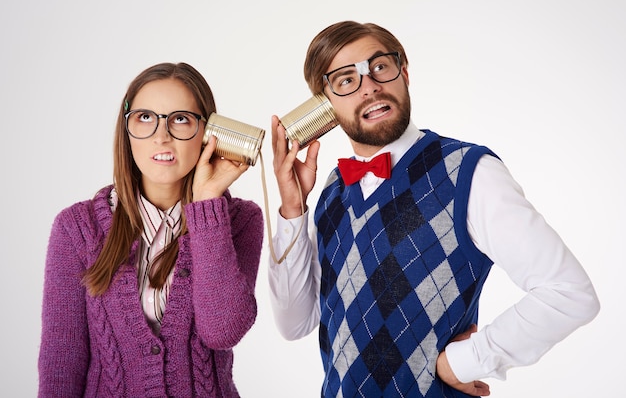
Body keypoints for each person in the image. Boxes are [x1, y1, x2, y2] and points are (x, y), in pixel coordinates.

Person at [268, 21, 600, 397]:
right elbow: (294, 323)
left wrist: (463, 362)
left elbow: (570, 292)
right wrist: (293, 209)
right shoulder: (331, 190)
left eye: (380, 67)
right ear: (325, 105)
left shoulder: (468, 172)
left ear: (404, 73)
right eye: (347, 80)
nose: (370, 86)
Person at [38, 62, 264, 397]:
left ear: (208, 131)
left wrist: (206, 206)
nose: (162, 136)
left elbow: (222, 331)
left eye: (181, 119)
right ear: (126, 129)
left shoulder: (240, 220)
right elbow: (61, 367)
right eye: (145, 118)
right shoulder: (76, 230)